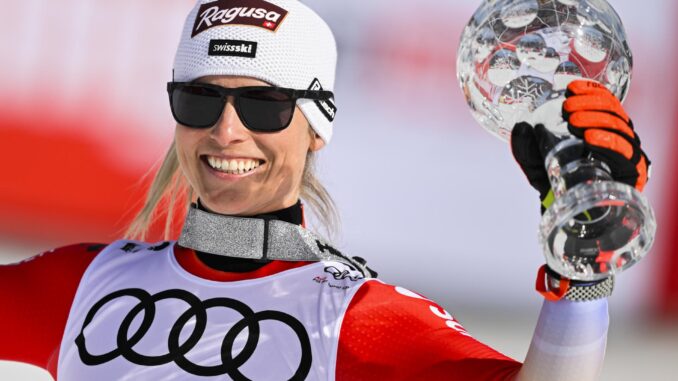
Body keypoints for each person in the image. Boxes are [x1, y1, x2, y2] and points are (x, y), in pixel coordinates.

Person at [0, 0, 651, 380]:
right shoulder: (84, 284)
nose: (226, 130)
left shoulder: (355, 319)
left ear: (318, 126)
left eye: (264, 107)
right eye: (200, 100)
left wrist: (582, 281)